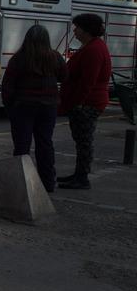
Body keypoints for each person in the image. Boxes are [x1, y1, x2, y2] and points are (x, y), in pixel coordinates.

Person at [0, 25, 67, 193]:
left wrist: (10, 108)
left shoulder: (19, 59)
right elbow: (65, 76)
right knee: (45, 143)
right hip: (48, 106)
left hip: (23, 106)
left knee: (22, 145)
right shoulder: (55, 58)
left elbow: (8, 87)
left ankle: (21, 182)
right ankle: (48, 182)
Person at [57, 13, 112, 189]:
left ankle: (82, 178)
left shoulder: (93, 50)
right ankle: (79, 174)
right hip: (85, 101)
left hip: (88, 103)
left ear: (86, 29)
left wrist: (78, 102)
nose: (75, 30)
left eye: (77, 27)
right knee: (81, 140)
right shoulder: (91, 46)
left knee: (84, 140)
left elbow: (88, 81)